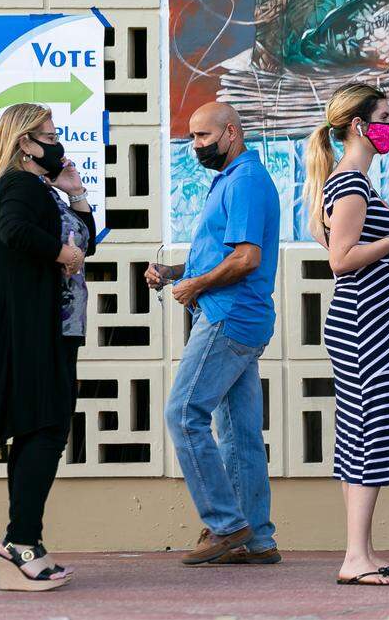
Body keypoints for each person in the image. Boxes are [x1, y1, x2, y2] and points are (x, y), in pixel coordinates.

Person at [304, 82, 389, 586]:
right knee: (369, 432)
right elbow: (340, 261)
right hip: (363, 321)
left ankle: (360, 551)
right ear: (360, 125)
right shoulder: (352, 185)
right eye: (386, 114)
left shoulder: (347, 183)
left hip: (368, 322)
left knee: (360, 432)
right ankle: (354, 558)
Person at [146, 102, 282, 566]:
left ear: (231, 132)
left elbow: (246, 259)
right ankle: (258, 538)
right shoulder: (232, 179)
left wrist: (196, 286)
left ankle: (226, 526)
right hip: (242, 317)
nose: (196, 146)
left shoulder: (243, 180)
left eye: (203, 137)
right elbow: (221, 256)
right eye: (191, 138)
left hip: (228, 317)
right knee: (239, 433)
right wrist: (176, 273)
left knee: (183, 414)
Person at [0, 103, 95, 591]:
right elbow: (14, 232)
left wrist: (76, 195)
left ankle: (23, 543)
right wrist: (61, 251)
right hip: (28, 330)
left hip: (49, 329)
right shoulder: (20, 187)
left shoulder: (43, 191)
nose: (57, 142)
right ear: (25, 142)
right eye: (49, 134)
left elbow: (87, 245)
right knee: (45, 429)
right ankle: (20, 543)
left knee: (39, 429)